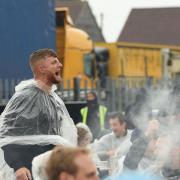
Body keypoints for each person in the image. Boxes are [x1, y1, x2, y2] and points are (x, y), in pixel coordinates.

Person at [0, 49, 77, 180]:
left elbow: (51, 137)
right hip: (29, 172)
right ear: (42, 68)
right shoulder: (28, 96)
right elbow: (8, 135)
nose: (60, 65)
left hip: (47, 169)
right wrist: (19, 165)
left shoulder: (52, 98)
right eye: (54, 63)